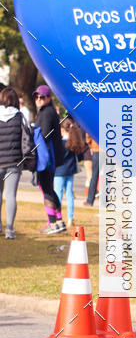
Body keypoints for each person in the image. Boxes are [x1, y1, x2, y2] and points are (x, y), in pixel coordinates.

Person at [33, 84, 66, 234]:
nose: (39, 100)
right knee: (50, 189)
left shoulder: (46, 113)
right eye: (37, 97)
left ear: (48, 98)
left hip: (46, 158)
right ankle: (59, 221)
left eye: (42, 97)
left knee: (46, 189)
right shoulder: (49, 111)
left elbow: (44, 134)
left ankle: (53, 223)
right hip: (51, 157)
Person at [0, 86, 30, 239]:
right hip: (14, 162)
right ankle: (9, 230)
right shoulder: (20, 117)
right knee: (11, 195)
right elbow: (27, 138)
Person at [54, 118, 86, 228]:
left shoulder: (60, 143)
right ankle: (70, 218)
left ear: (63, 129)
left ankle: (57, 217)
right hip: (70, 171)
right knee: (69, 194)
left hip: (59, 172)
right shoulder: (73, 142)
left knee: (57, 194)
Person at [84, 132, 100, 206]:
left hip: (97, 149)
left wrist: (91, 145)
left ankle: (90, 200)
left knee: (94, 175)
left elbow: (89, 133)